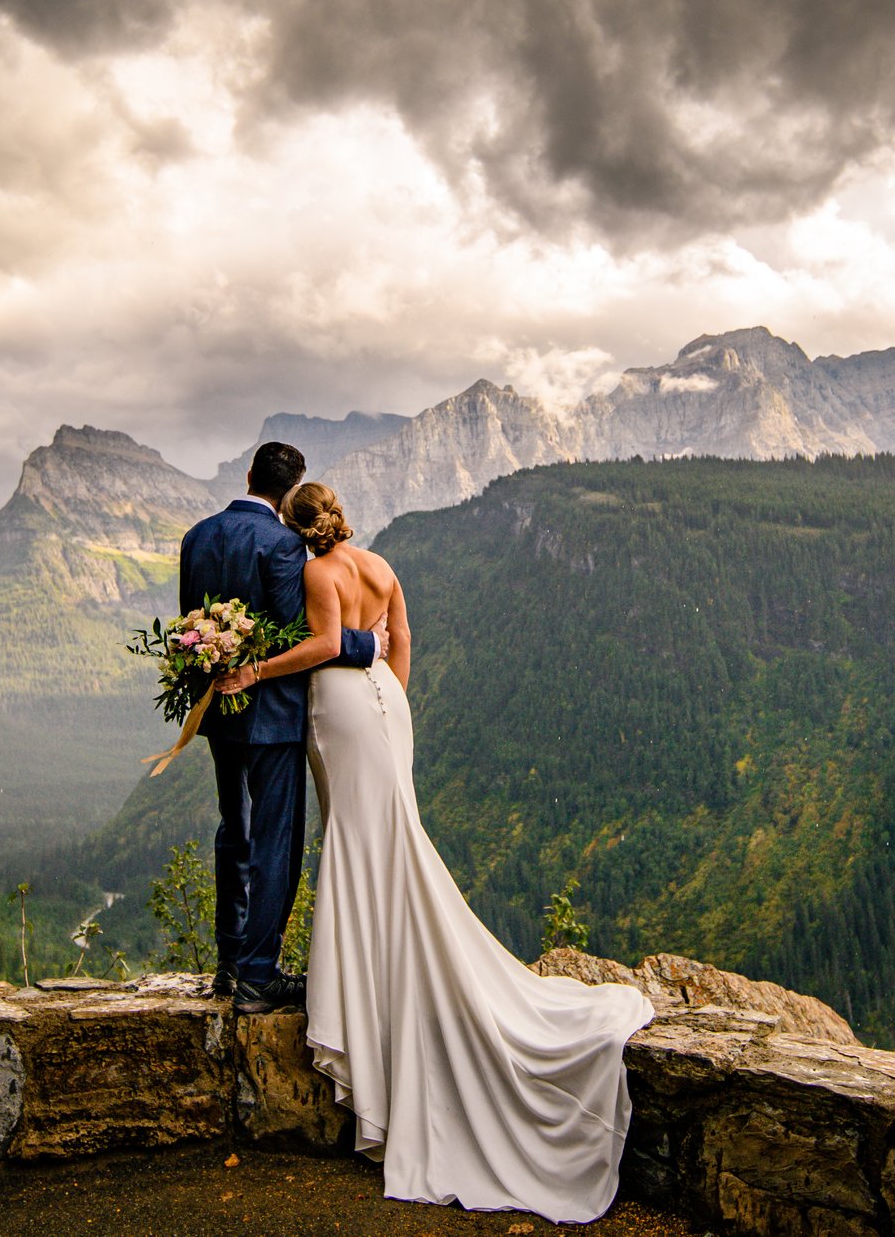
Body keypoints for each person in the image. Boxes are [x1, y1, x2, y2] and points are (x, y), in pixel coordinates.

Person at [223, 482, 654, 1223]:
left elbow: (327, 645)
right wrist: (392, 697)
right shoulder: (380, 564)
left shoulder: (318, 572)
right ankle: (387, 981)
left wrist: (254, 669)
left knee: (359, 845)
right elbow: (404, 638)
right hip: (388, 704)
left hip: (342, 706)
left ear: (296, 532)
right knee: (393, 838)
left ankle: (371, 1003)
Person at [178, 441, 386, 1015]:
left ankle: (227, 963)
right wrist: (368, 643)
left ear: (247, 475)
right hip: (272, 716)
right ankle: (258, 975)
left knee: (233, 830)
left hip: (217, 710)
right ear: (292, 490)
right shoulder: (284, 545)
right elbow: (305, 637)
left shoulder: (197, 537)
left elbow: (190, 630)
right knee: (275, 840)